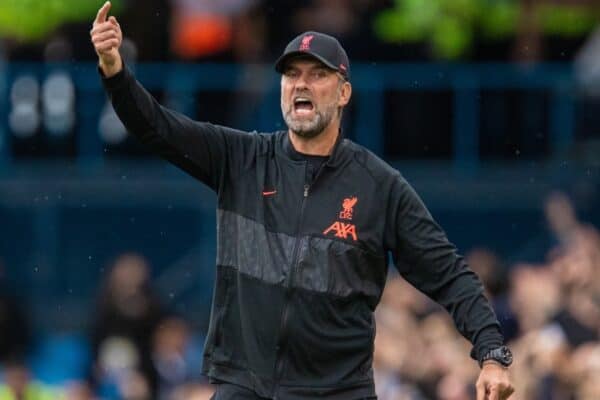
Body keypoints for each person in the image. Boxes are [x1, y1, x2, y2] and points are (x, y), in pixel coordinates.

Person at [90, 2, 515, 399]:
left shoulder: (379, 185)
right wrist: (114, 70)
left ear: (344, 93)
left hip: (336, 391)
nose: (301, 84)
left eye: (317, 75)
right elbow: (156, 127)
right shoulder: (242, 158)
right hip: (244, 385)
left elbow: (450, 275)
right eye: (292, 74)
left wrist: (492, 354)